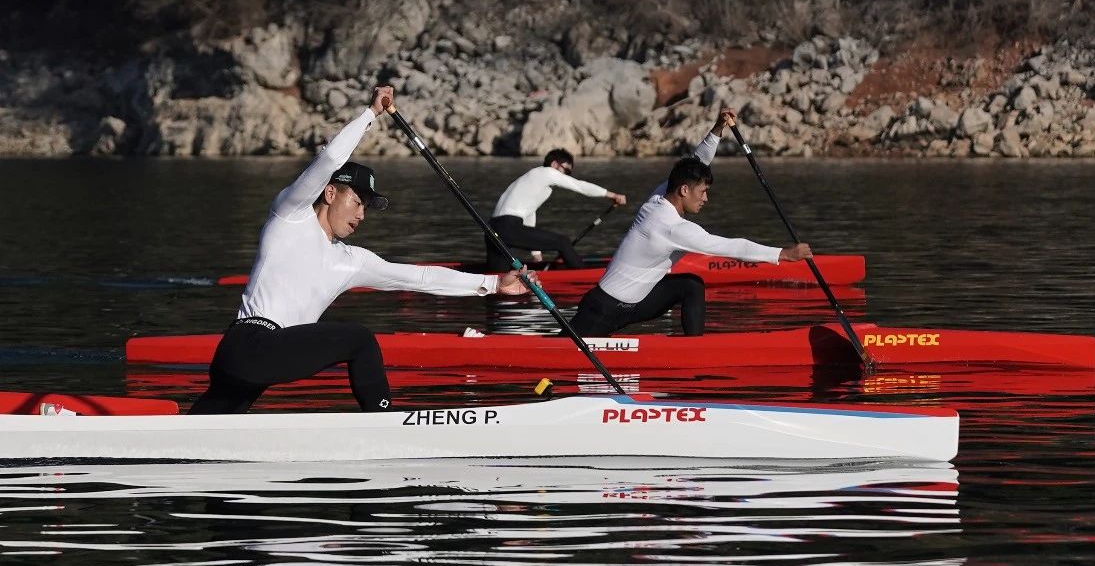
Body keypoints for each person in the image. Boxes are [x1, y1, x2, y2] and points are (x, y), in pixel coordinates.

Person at [189, 85, 534, 415]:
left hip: (259, 357)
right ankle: (383, 423)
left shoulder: (351, 261)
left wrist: (492, 284)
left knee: (207, 429)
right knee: (360, 339)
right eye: (357, 202)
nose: (361, 215)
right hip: (249, 343)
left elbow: (419, 278)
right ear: (329, 194)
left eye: (366, 208)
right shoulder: (290, 215)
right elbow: (330, 159)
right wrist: (370, 113)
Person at [568, 109, 810, 338]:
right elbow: (732, 247)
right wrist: (783, 254)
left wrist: (718, 129)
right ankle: (694, 352)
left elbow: (697, 161)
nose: (706, 199)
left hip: (635, 303)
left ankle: (694, 346)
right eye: (703, 192)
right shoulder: (672, 227)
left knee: (690, 285)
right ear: (684, 190)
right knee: (562, 353)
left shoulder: (659, 196)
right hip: (602, 309)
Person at [485, 148, 626, 270]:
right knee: (562, 242)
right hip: (508, 227)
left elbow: (529, 214)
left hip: (491, 230)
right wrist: (612, 195)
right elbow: (580, 186)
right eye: (566, 170)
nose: (566, 175)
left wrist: (536, 255)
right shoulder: (547, 173)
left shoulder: (531, 179)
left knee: (498, 277)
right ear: (554, 164)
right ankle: (584, 275)